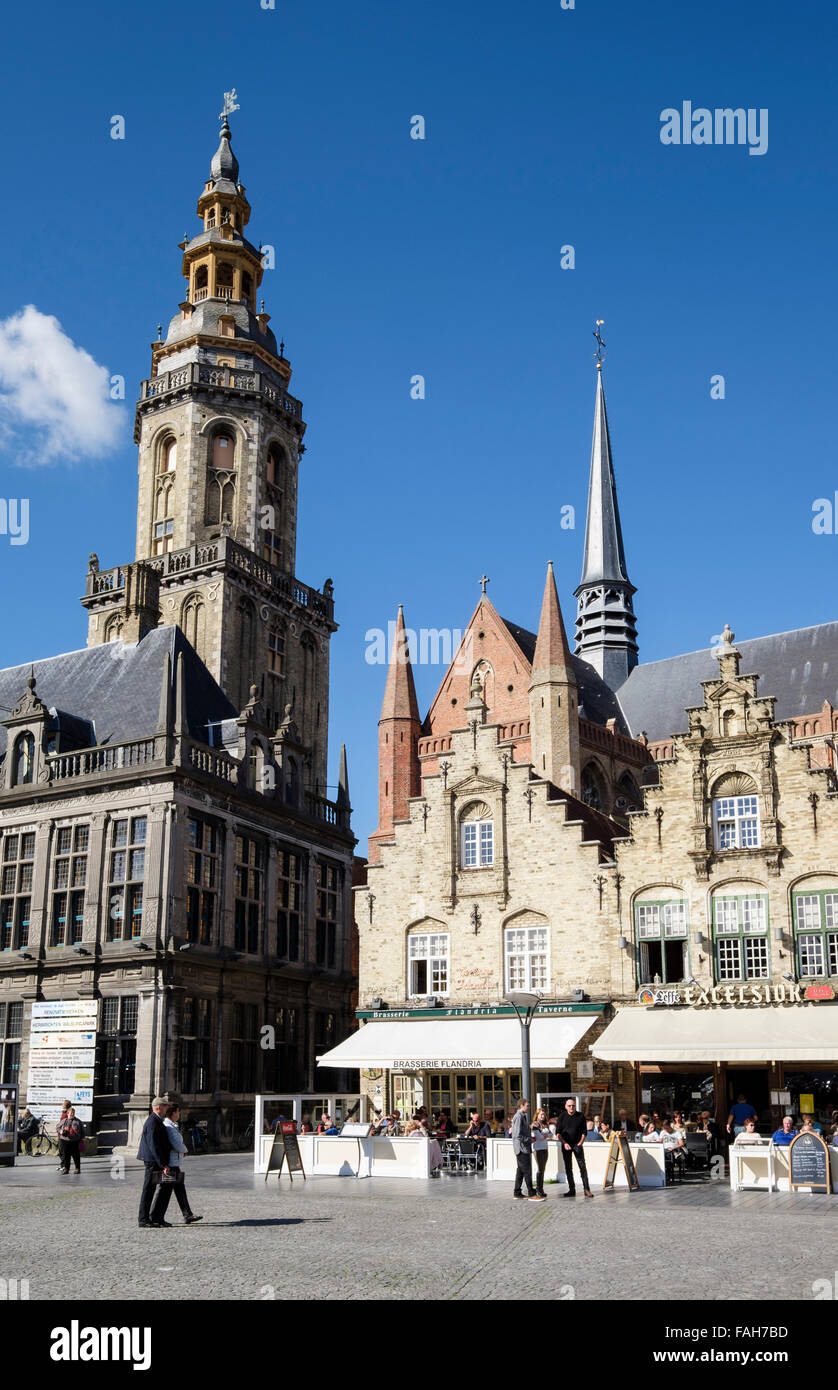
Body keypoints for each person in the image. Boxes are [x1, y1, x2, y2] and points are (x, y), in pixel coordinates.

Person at [161, 1104, 202, 1225]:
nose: (179, 1114)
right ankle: (156, 1216)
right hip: (172, 1163)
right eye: (178, 1112)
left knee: (179, 1188)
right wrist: (185, 1150)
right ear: (173, 1113)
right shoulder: (169, 1126)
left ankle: (187, 1214)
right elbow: (176, 1143)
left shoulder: (171, 1125)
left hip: (174, 1161)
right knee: (165, 1191)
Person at [137, 1097, 174, 1229]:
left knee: (158, 1188)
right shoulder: (153, 1122)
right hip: (153, 1162)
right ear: (158, 1107)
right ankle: (143, 1219)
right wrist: (164, 1164)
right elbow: (154, 1146)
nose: (167, 1109)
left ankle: (156, 1217)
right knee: (148, 1190)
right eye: (165, 1106)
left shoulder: (157, 1120)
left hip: (155, 1161)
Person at [556, 1098, 593, 1199]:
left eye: (573, 1105)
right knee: (568, 1168)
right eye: (569, 1106)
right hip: (566, 1145)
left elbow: (584, 1132)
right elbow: (558, 1133)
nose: (571, 1107)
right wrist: (564, 1143)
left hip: (578, 1144)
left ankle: (587, 1189)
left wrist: (580, 1143)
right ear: (566, 1107)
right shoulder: (562, 1116)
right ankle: (571, 1189)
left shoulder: (580, 1116)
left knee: (582, 1167)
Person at [511, 1099, 541, 1200]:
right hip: (522, 1149)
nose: (528, 1107)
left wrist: (530, 1129)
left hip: (523, 1148)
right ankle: (532, 1193)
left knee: (520, 1171)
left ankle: (517, 1192)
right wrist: (529, 1140)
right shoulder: (519, 1117)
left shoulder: (522, 1116)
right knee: (527, 1171)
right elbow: (517, 1135)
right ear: (521, 1105)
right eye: (527, 1106)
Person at [56, 1106, 84, 1175]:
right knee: (66, 1156)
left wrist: (81, 1138)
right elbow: (57, 1127)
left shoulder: (78, 1121)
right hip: (64, 1140)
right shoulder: (64, 1120)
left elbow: (83, 1131)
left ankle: (77, 1168)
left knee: (76, 1156)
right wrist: (61, 1131)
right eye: (71, 1113)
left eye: (73, 1113)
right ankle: (66, 1169)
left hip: (74, 1141)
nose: (72, 1114)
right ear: (68, 1113)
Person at [531, 1107, 551, 1198]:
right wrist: (545, 1135)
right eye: (541, 1115)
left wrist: (545, 1135)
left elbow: (550, 1134)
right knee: (540, 1168)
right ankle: (539, 1188)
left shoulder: (545, 1124)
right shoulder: (535, 1124)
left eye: (544, 1114)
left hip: (545, 1148)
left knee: (543, 1168)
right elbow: (539, 1137)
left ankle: (541, 1188)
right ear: (537, 1115)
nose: (543, 1116)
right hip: (538, 1149)